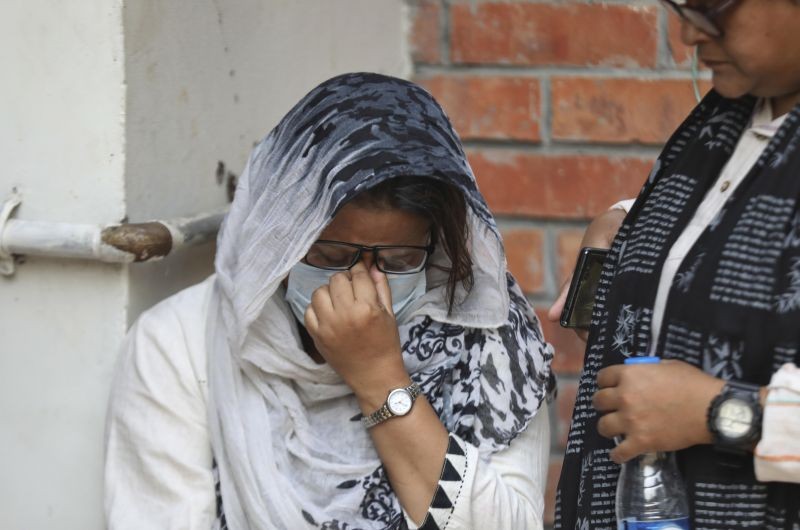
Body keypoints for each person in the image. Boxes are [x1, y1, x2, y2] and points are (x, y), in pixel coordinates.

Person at [104, 72, 555, 530]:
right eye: (331, 257)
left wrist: (381, 379)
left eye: (398, 261)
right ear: (279, 240)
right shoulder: (180, 345)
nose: (365, 285)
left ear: (435, 249)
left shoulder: (490, 344)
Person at [549, 1, 800, 529]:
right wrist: (626, 227)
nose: (688, 32)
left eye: (713, 6)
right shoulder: (723, 120)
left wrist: (718, 413)